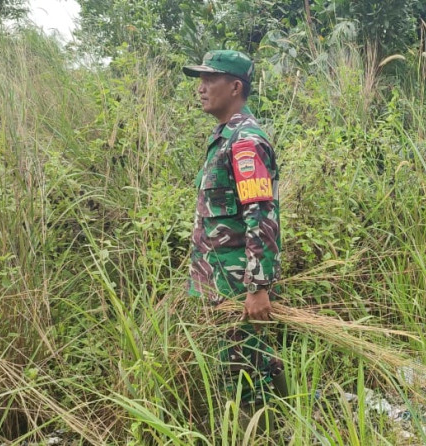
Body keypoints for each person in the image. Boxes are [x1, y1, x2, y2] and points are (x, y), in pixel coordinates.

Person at [183, 50, 288, 418]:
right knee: (248, 365)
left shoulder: (245, 141)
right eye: (201, 79)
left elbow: (260, 215)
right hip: (219, 285)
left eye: (210, 79)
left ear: (235, 86)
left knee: (241, 378)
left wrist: (258, 288)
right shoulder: (223, 138)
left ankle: (262, 434)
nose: (202, 87)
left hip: (237, 287)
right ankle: (288, 419)